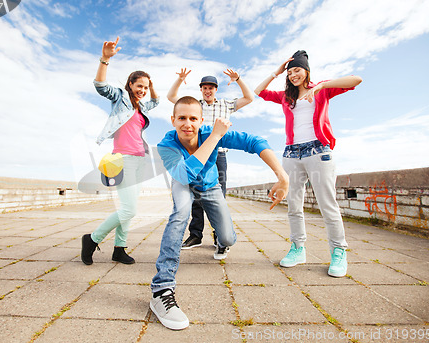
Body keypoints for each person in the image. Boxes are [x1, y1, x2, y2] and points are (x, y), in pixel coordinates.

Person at [149, 96, 289, 330]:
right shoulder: (167, 144)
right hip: (183, 182)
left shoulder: (207, 132)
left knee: (227, 238)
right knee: (180, 212)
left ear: (201, 120)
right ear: (172, 120)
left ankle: (222, 241)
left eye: (193, 118)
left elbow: (254, 141)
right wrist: (215, 136)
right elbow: (184, 175)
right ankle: (162, 288)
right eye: (181, 118)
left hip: (211, 186)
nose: (187, 124)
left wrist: (282, 176)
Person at [254, 50, 362, 277]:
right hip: (292, 154)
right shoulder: (286, 96)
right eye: (290, 71)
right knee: (294, 204)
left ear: (306, 71)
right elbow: (259, 92)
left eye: (297, 70)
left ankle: (338, 251)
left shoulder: (321, 88)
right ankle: (298, 248)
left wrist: (321, 87)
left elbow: (356, 80)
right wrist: (276, 71)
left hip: (319, 151)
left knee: (327, 204)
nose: (293, 75)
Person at [81, 37, 159, 265]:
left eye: (145, 87)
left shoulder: (142, 106)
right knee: (129, 210)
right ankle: (92, 239)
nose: (143, 90)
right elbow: (100, 86)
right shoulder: (121, 98)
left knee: (129, 209)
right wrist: (105, 59)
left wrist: (151, 84)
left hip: (140, 160)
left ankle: (119, 248)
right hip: (122, 160)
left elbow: (156, 101)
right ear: (130, 85)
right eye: (139, 86)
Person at [167, 68, 255, 252]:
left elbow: (249, 98)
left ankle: (220, 237)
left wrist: (238, 79)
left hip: (219, 154)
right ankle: (196, 235)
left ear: (216, 90)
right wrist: (180, 80)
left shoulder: (226, 104)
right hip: (197, 154)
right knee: (196, 195)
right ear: (201, 90)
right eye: (205, 88)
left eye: (211, 88)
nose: (208, 91)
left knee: (218, 195)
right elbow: (171, 97)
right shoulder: (195, 105)